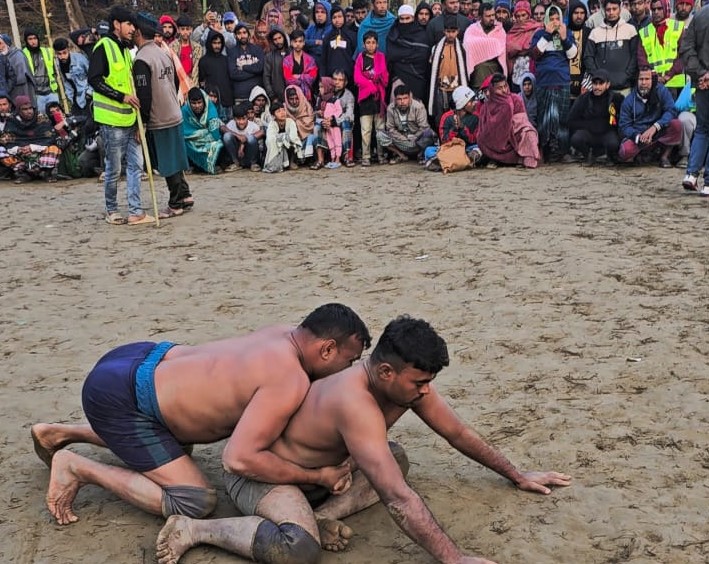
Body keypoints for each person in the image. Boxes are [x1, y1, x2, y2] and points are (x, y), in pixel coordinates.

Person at [155, 315, 571, 564]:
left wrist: (515, 473)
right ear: (386, 372)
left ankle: (319, 517)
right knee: (298, 549)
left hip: (323, 476)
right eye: (421, 382)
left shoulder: (405, 383)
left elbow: (457, 432)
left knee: (396, 458)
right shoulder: (353, 401)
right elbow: (397, 498)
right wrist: (453, 556)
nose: (426, 390)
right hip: (265, 478)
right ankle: (196, 529)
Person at [32, 304, 370, 527]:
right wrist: (318, 477)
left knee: (180, 440)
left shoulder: (284, 334)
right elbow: (239, 459)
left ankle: (60, 432)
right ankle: (76, 466)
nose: (349, 369)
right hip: (122, 399)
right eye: (349, 360)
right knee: (194, 500)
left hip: (141, 357)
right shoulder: (289, 379)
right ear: (326, 349)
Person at [89, 6, 153, 226]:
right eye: (129, 24)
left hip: (130, 118)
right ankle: (112, 209)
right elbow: (95, 80)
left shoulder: (127, 50)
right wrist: (120, 96)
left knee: (137, 166)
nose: (132, 29)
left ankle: (136, 211)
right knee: (114, 169)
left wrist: (139, 120)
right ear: (117, 24)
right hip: (112, 121)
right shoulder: (103, 47)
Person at [133, 15, 193, 219]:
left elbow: (144, 95)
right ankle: (184, 195)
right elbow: (175, 80)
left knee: (167, 162)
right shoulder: (163, 52)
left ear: (139, 33)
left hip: (159, 116)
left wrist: (143, 121)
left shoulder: (142, 59)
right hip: (173, 110)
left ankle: (175, 202)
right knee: (175, 157)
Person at [531, 5, 577, 162]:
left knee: (561, 118)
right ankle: (546, 149)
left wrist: (564, 39)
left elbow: (573, 54)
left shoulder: (567, 33)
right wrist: (547, 35)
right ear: (545, 21)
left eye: (557, 18)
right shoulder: (539, 35)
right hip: (544, 82)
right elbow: (535, 54)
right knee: (545, 117)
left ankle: (562, 150)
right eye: (551, 19)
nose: (555, 22)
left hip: (561, 80)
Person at [618, 65, 681, 166]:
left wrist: (655, 127)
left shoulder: (661, 91)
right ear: (637, 81)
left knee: (676, 124)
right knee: (625, 151)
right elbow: (624, 126)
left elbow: (671, 110)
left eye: (647, 79)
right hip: (639, 136)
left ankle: (664, 157)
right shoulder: (629, 100)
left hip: (658, 131)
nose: (644, 83)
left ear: (653, 80)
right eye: (641, 79)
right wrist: (638, 136)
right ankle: (643, 154)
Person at [477, 72, 541, 167]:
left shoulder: (515, 99)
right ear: (492, 89)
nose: (504, 90)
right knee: (480, 138)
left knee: (529, 132)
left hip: (513, 135)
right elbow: (483, 129)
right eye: (499, 88)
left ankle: (520, 160)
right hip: (494, 139)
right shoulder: (486, 107)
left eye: (505, 86)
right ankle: (494, 158)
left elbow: (523, 121)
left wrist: (509, 109)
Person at [679, 1, 709, 193]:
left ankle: (691, 174)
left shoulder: (699, 15)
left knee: (703, 129)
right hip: (704, 80)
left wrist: (700, 74)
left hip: (702, 83)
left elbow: (686, 49)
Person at [0, 94, 61, 183]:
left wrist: (32, 147)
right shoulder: (12, 121)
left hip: (40, 152)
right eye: (25, 109)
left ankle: (46, 173)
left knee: (54, 149)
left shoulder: (41, 118)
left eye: (30, 108)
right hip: (21, 154)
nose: (29, 111)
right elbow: (6, 141)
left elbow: (50, 138)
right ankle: (24, 174)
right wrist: (19, 149)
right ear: (18, 111)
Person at [568, 68, 624, 165]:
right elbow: (571, 120)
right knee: (576, 139)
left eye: (601, 83)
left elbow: (623, 119)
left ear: (608, 85)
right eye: (595, 83)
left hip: (607, 133)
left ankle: (610, 157)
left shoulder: (616, 98)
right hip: (589, 133)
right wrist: (589, 125)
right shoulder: (583, 99)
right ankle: (587, 156)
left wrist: (612, 127)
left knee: (614, 143)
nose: (597, 87)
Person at [583, 0, 638, 95]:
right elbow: (588, 58)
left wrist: (627, 75)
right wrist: (598, 77)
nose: (611, 12)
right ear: (604, 10)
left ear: (620, 9)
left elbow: (635, 56)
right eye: (608, 9)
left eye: (614, 9)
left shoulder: (630, 30)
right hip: (602, 89)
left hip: (625, 88)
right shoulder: (595, 33)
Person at [637, 0, 687, 97]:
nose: (656, 12)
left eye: (659, 8)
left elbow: (683, 55)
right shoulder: (644, 32)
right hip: (654, 83)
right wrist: (654, 76)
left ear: (665, 8)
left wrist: (669, 74)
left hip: (675, 83)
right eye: (653, 9)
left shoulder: (677, 27)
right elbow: (641, 59)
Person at [354, 30, 389, 166]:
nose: (371, 45)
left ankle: (381, 155)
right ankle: (366, 156)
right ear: (363, 45)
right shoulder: (360, 59)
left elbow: (384, 75)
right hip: (365, 100)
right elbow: (358, 77)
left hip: (378, 99)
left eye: (373, 42)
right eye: (368, 42)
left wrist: (375, 78)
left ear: (377, 44)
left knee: (380, 129)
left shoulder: (381, 57)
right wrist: (370, 84)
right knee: (366, 130)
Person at [386, 4, 432, 106]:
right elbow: (391, 54)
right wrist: (407, 56)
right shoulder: (393, 32)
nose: (405, 21)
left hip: (417, 79)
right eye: (402, 19)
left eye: (408, 18)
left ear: (413, 18)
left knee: (416, 112)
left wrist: (401, 58)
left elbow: (422, 55)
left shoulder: (421, 34)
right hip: (398, 78)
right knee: (397, 110)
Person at [379, 83, 436, 163]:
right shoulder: (391, 108)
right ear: (395, 99)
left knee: (429, 133)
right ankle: (400, 155)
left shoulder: (418, 107)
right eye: (399, 99)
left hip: (417, 142)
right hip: (402, 141)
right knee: (380, 135)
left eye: (405, 98)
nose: (402, 102)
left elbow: (424, 127)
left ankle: (421, 155)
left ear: (410, 97)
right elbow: (390, 128)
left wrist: (415, 137)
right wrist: (403, 138)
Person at [428, 16, 469, 125]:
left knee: (459, 117)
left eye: (453, 31)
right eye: (448, 31)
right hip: (441, 89)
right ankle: (442, 139)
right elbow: (432, 70)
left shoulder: (462, 48)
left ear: (458, 31)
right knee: (441, 119)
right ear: (444, 31)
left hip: (457, 88)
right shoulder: (436, 49)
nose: (450, 34)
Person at [182, 87, 227, 174]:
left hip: (210, 139)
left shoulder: (210, 109)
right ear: (189, 102)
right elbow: (183, 132)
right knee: (183, 144)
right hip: (191, 141)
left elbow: (215, 134)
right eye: (193, 103)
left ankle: (213, 165)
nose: (197, 106)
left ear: (204, 101)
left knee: (218, 145)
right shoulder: (184, 111)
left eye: (199, 102)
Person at [464, 3, 508, 90]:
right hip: (478, 77)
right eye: (488, 16)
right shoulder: (471, 29)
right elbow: (468, 45)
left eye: (493, 15)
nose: (492, 18)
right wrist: (491, 44)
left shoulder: (500, 30)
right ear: (480, 17)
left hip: (495, 76)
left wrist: (480, 45)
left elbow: (501, 49)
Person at [505, 1, 542, 92]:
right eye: (518, 16)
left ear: (529, 15)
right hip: (516, 75)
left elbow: (537, 49)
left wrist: (520, 50)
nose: (520, 18)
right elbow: (509, 50)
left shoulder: (537, 28)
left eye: (523, 15)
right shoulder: (513, 31)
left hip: (533, 73)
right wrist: (526, 49)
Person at [198, 31, 234, 122]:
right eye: (214, 43)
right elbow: (201, 82)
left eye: (219, 43)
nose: (217, 46)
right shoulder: (203, 61)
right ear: (209, 43)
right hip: (212, 103)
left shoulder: (226, 59)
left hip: (227, 102)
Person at [228, 23, 266, 107]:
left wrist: (244, 67)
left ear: (249, 34)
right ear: (235, 35)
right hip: (240, 96)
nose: (242, 35)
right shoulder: (231, 52)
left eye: (244, 32)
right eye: (239, 33)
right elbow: (233, 74)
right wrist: (254, 72)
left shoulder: (257, 49)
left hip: (257, 96)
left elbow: (260, 68)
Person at [52, 38, 91, 117]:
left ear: (68, 50)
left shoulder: (80, 59)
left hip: (88, 97)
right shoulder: (58, 63)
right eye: (59, 54)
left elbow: (92, 75)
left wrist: (89, 94)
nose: (62, 56)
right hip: (75, 99)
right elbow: (65, 81)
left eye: (64, 53)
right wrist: (70, 96)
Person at [22, 29, 59, 111]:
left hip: (51, 91)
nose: (33, 41)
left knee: (57, 116)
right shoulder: (23, 54)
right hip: (36, 94)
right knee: (42, 119)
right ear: (26, 41)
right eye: (30, 39)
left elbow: (56, 70)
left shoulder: (47, 51)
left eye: (35, 38)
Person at [262, 100, 303, 172]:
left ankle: (291, 162)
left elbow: (293, 137)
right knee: (272, 142)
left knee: (293, 142)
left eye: (283, 110)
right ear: (273, 115)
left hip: (288, 144)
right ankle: (278, 163)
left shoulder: (290, 121)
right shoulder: (272, 124)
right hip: (278, 146)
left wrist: (284, 138)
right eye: (278, 111)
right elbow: (270, 139)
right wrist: (281, 138)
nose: (282, 113)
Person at [321, 5, 358, 84]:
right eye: (334, 17)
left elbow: (356, 58)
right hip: (331, 78)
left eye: (339, 16)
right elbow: (323, 60)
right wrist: (323, 78)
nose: (337, 20)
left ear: (344, 17)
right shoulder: (327, 37)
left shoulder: (352, 35)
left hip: (348, 78)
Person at [223, 102, 264, 171]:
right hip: (238, 156)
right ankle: (235, 163)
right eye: (238, 119)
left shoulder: (253, 126)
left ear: (247, 117)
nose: (241, 122)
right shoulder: (231, 124)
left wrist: (242, 144)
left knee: (251, 138)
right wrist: (237, 135)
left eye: (243, 119)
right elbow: (222, 128)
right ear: (234, 119)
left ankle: (253, 164)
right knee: (227, 136)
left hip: (249, 155)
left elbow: (261, 134)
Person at [283, 30, 319, 103]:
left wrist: (299, 76)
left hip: (307, 96)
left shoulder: (310, 60)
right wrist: (304, 78)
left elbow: (313, 76)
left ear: (304, 42)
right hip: (292, 96)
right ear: (291, 43)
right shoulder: (286, 60)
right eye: (295, 41)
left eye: (300, 41)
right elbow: (288, 79)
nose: (298, 44)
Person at [284, 84, 318, 161]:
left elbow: (310, 122)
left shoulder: (307, 106)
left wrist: (297, 123)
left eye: (297, 98)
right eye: (291, 99)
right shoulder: (284, 109)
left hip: (308, 136)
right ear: (287, 99)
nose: (294, 101)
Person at [0, 34, 34, 104]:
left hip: (20, 90)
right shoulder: (2, 58)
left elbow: (20, 77)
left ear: (6, 44)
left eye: (0, 43)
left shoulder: (17, 55)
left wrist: (5, 89)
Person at [568, 0, 590, 101]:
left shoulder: (590, 33)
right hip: (566, 81)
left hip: (585, 83)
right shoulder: (565, 32)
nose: (579, 16)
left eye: (582, 13)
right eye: (576, 13)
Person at [171, 15, 202, 88]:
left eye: (187, 29)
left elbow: (196, 68)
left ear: (191, 30)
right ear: (178, 30)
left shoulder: (197, 48)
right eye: (183, 29)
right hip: (177, 83)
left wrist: (192, 84)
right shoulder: (172, 47)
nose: (185, 32)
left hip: (192, 82)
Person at [263, 27, 289, 102]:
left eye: (279, 38)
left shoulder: (292, 53)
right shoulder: (269, 56)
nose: (278, 41)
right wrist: (272, 96)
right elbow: (266, 77)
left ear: (284, 37)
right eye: (275, 39)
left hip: (293, 96)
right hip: (277, 97)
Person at [305, 0, 333, 67]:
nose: (319, 15)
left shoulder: (332, 29)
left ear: (328, 13)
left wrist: (310, 46)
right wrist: (316, 42)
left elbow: (325, 49)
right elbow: (302, 41)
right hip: (309, 65)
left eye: (323, 12)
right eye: (317, 12)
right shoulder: (311, 28)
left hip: (325, 66)